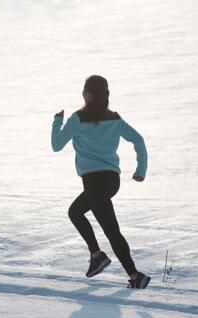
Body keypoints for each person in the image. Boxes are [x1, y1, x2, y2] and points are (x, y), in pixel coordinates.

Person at [51, 75, 150, 289]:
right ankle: (97, 255)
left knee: (111, 231)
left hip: (94, 183)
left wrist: (57, 121)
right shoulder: (114, 118)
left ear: (87, 94)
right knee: (75, 212)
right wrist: (140, 170)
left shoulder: (78, 119)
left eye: (84, 91)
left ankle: (135, 276)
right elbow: (138, 140)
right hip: (112, 181)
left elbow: (56, 145)